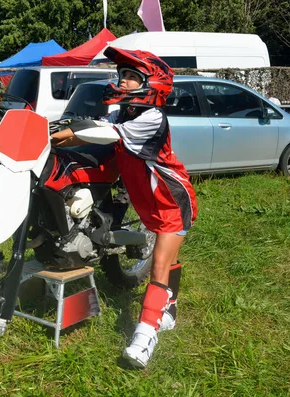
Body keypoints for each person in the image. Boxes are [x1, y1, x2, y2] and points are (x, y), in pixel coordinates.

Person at [51, 46, 198, 368]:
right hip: (144, 199)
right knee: (169, 258)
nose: (125, 82)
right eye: (124, 76)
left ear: (152, 84)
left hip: (170, 199)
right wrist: (49, 135)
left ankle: (145, 336)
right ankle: (168, 309)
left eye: (132, 77)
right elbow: (92, 127)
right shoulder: (124, 112)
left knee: (159, 266)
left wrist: (61, 134)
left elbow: (101, 133)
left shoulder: (151, 117)